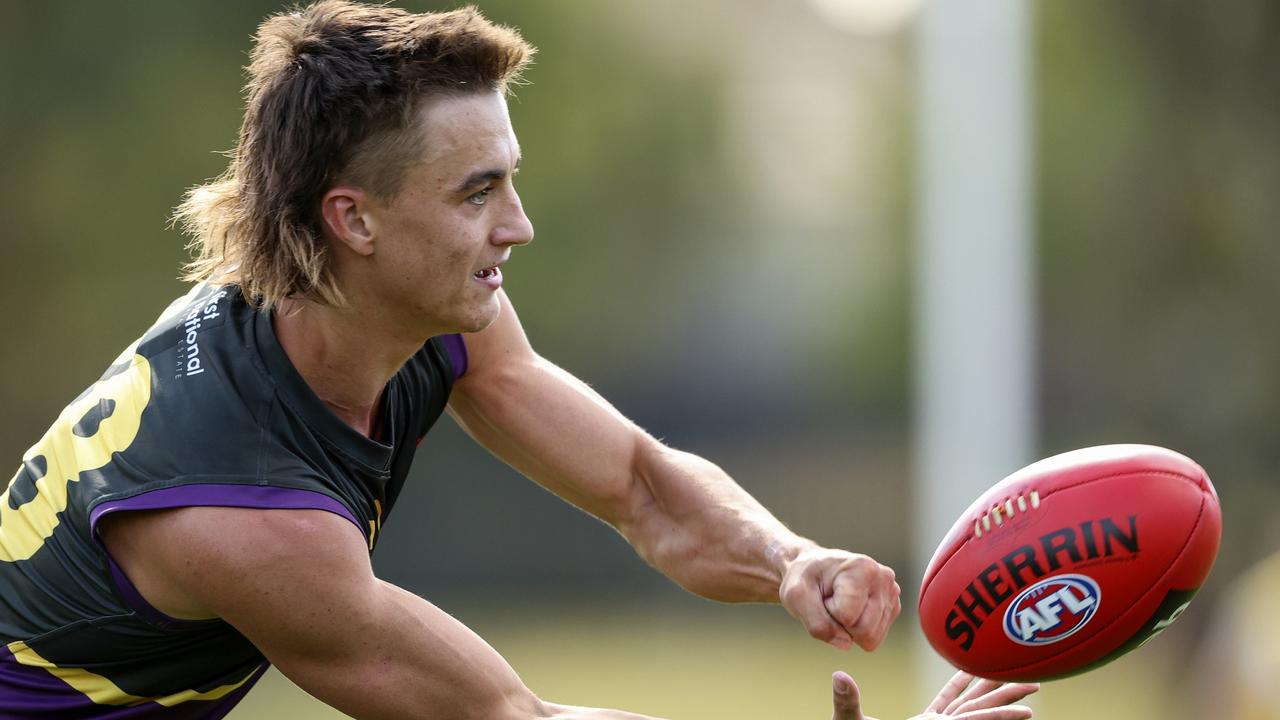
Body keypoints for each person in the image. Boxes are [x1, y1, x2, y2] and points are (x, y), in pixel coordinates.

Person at [0, 3, 1037, 718]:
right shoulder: (238, 510)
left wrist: (788, 561)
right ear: (351, 218)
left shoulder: (389, 309)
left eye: (510, 181)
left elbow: (638, 484)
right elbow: (506, 711)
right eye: (475, 193)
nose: (519, 227)